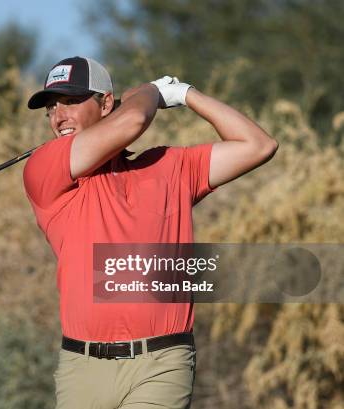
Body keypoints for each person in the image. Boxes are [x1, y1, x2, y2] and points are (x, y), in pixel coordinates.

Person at [22, 56, 278, 409]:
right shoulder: (45, 167)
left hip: (162, 362)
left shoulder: (169, 166)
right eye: (51, 108)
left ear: (105, 103)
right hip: (82, 369)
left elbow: (258, 145)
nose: (58, 117)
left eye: (71, 102)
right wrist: (151, 92)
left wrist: (187, 94)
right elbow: (135, 120)